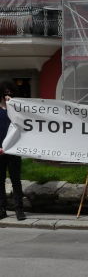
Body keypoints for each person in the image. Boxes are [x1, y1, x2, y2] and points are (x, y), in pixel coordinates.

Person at [0, 82, 25, 221]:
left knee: (16, 181)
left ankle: (19, 209)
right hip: (0, 152)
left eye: (10, 93)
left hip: (14, 150)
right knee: (0, 181)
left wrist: (12, 106)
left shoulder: (17, 110)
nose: (8, 95)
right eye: (5, 93)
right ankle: (2, 209)